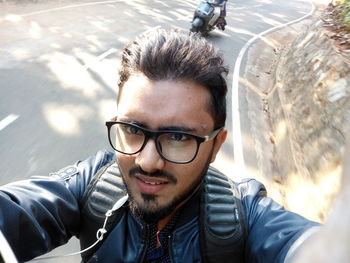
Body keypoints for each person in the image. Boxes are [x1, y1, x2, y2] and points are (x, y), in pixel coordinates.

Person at [0, 28, 320, 263]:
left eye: (179, 137)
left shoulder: (245, 219)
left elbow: (307, 247)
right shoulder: (94, 186)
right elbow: (19, 209)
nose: (148, 162)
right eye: (132, 130)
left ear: (215, 145)